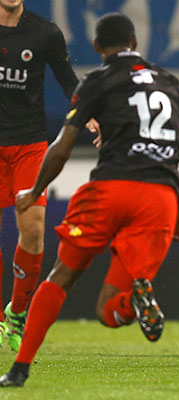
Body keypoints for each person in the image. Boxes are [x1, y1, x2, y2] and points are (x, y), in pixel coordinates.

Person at [0, 12, 179, 387]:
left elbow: (63, 146)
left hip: (112, 189)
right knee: (107, 309)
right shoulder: (169, 82)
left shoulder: (99, 80)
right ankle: (134, 302)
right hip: (160, 200)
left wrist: (35, 190)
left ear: (98, 48)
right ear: (134, 42)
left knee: (62, 276)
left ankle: (20, 368)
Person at [0, 0, 84, 352]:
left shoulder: (45, 32)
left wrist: (87, 112)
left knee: (33, 231)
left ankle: (17, 313)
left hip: (29, 144)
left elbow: (69, 83)